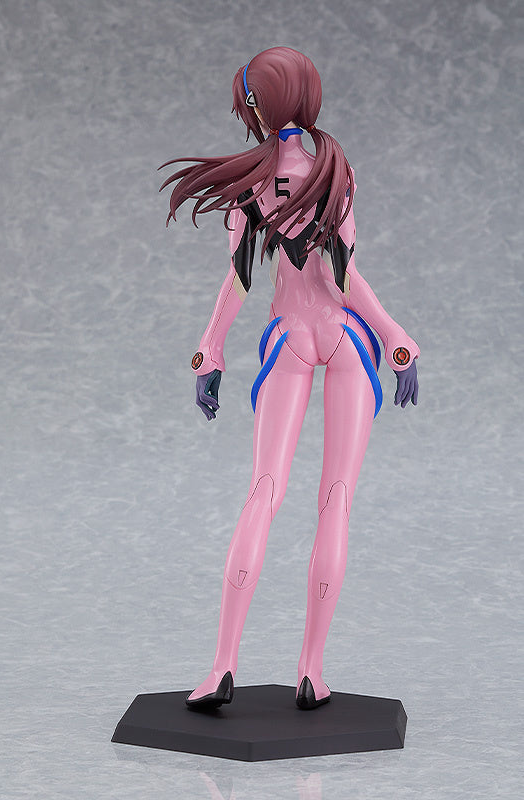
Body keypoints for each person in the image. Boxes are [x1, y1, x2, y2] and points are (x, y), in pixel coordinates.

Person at [160, 47, 419, 710]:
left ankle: (222, 667)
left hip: (289, 337)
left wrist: (210, 350)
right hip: (348, 337)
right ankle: (310, 671)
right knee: (336, 499)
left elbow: (240, 278)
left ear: (257, 103)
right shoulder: (334, 168)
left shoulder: (253, 181)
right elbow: (344, 275)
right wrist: (393, 335)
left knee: (263, 492)